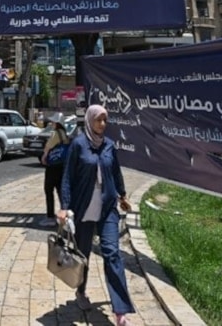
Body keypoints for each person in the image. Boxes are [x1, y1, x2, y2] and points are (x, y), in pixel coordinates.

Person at [57, 104, 135, 325]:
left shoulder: (109, 146)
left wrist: (123, 194)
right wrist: (64, 206)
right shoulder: (78, 145)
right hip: (83, 208)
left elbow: (116, 171)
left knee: (112, 253)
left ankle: (120, 311)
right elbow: (67, 178)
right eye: (98, 120)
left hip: (108, 207)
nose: (102, 124)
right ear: (90, 120)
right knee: (83, 256)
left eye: (105, 120)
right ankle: (81, 292)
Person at [40, 112, 70, 227]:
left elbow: (48, 147)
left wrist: (44, 156)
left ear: (57, 123)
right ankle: (65, 211)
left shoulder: (55, 134)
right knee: (60, 190)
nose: (51, 123)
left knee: (48, 189)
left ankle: (50, 217)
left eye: (53, 122)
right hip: (61, 165)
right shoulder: (64, 133)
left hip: (52, 166)